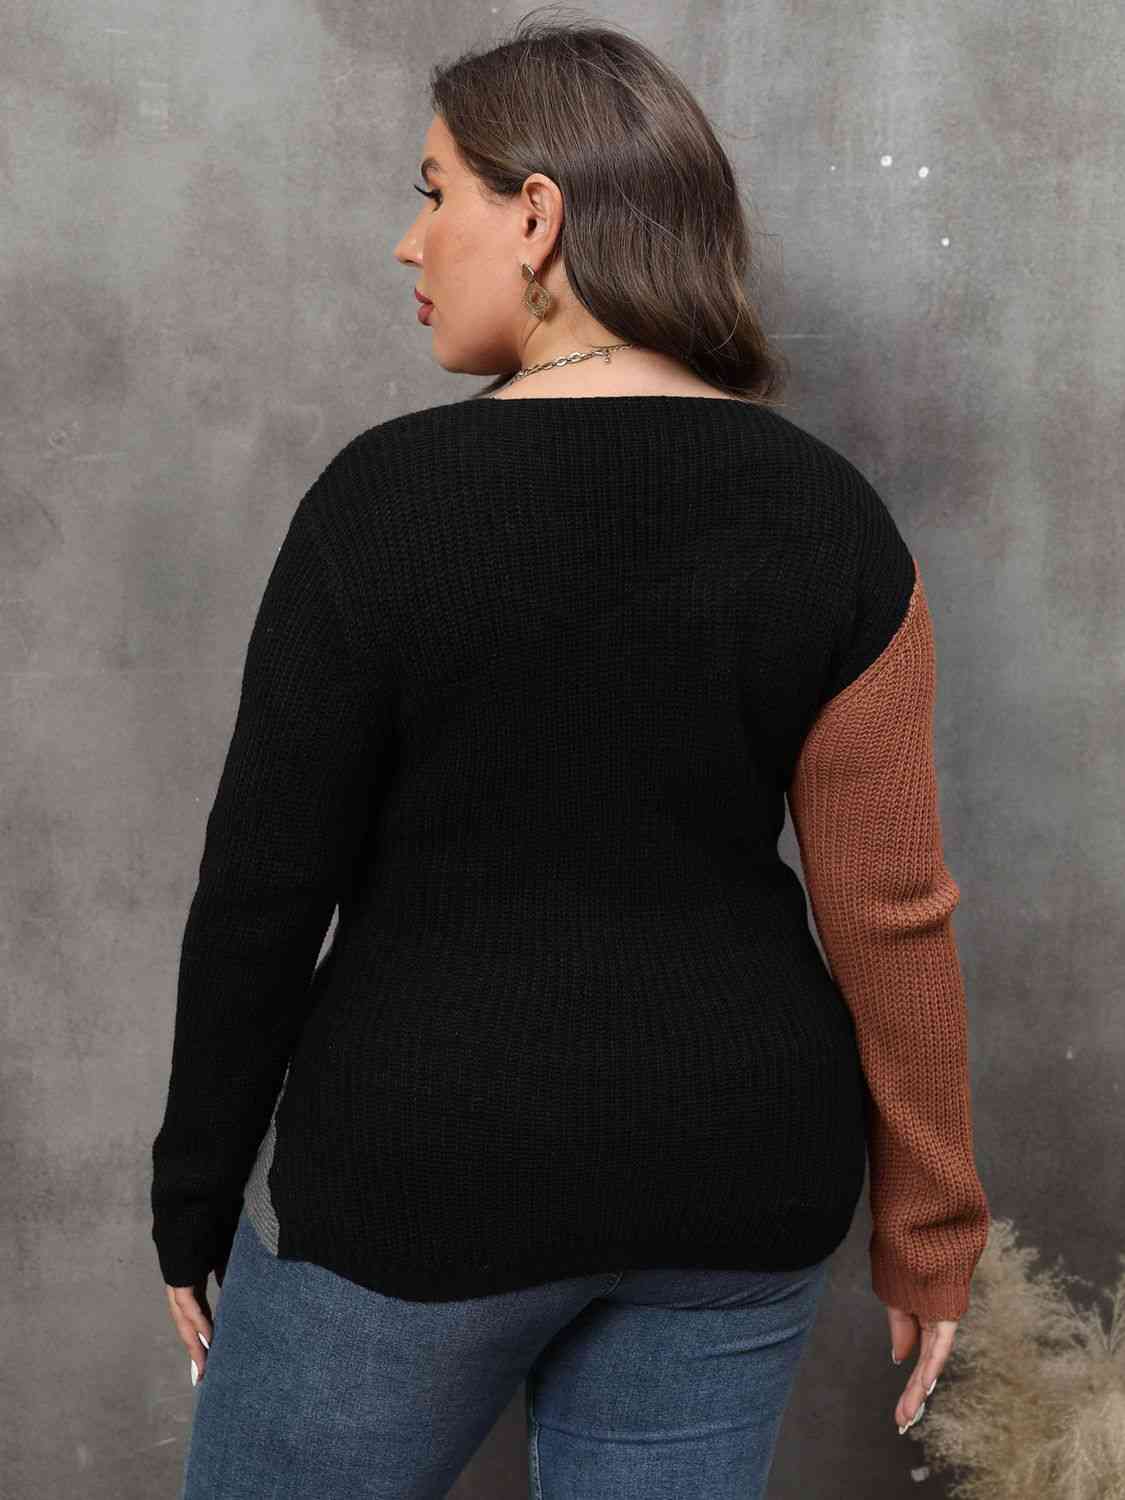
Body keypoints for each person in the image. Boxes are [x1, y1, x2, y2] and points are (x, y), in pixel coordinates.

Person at [150, 13, 991, 1498]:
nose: (409, 242)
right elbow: (889, 912)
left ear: (536, 215)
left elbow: (264, 892)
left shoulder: (383, 505)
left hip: (422, 1165)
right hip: (739, 1168)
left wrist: (195, 1194)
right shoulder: (832, 520)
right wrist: (930, 1231)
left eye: (434, 192)